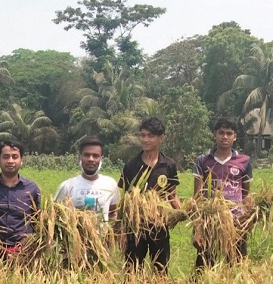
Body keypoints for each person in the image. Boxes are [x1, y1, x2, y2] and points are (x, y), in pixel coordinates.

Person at [119, 117, 181, 274]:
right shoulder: (131, 166)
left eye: (150, 136)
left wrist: (182, 212)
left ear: (161, 138)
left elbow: (172, 195)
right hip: (136, 227)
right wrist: (122, 231)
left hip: (159, 226)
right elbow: (125, 201)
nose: (145, 139)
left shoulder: (168, 165)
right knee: (132, 272)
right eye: (142, 135)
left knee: (161, 270)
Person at [192, 118, 253, 269]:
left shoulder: (244, 161)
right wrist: (198, 229)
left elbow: (246, 194)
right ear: (215, 135)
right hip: (210, 222)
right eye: (221, 133)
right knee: (204, 268)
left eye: (229, 133)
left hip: (235, 223)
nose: (225, 137)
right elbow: (197, 197)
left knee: (236, 267)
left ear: (235, 136)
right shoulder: (202, 160)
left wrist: (248, 218)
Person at [54, 136, 119, 264]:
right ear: (80, 157)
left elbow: (114, 213)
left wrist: (110, 238)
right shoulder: (67, 186)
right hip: (73, 251)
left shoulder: (110, 184)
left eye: (95, 156)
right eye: (87, 155)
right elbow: (53, 217)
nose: (91, 159)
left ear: (101, 159)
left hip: (101, 251)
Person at [0, 140, 40, 256]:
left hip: (25, 254)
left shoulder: (32, 189)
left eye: (15, 157)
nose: (10, 161)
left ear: (21, 161)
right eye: (6, 157)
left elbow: (38, 222)